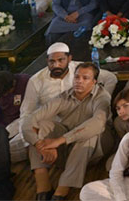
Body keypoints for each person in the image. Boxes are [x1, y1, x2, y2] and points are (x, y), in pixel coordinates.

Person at [13, 43, 117, 162]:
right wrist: (34, 142)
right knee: (12, 149)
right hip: (51, 128)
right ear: (47, 61)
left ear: (69, 59)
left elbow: (111, 78)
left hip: (84, 125)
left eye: (60, 60)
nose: (56, 64)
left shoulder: (81, 69)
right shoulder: (36, 80)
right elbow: (27, 113)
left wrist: (101, 96)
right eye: (52, 61)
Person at [25, 62, 111, 201]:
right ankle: (43, 185)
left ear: (94, 82)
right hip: (66, 148)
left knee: (87, 134)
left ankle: (62, 190)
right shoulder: (64, 96)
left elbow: (97, 123)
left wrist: (58, 141)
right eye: (77, 77)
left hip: (94, 147)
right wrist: (40, 145)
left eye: (85, 78)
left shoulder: (102, 97)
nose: (79, 81)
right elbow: (30, 120)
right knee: (40, 125)